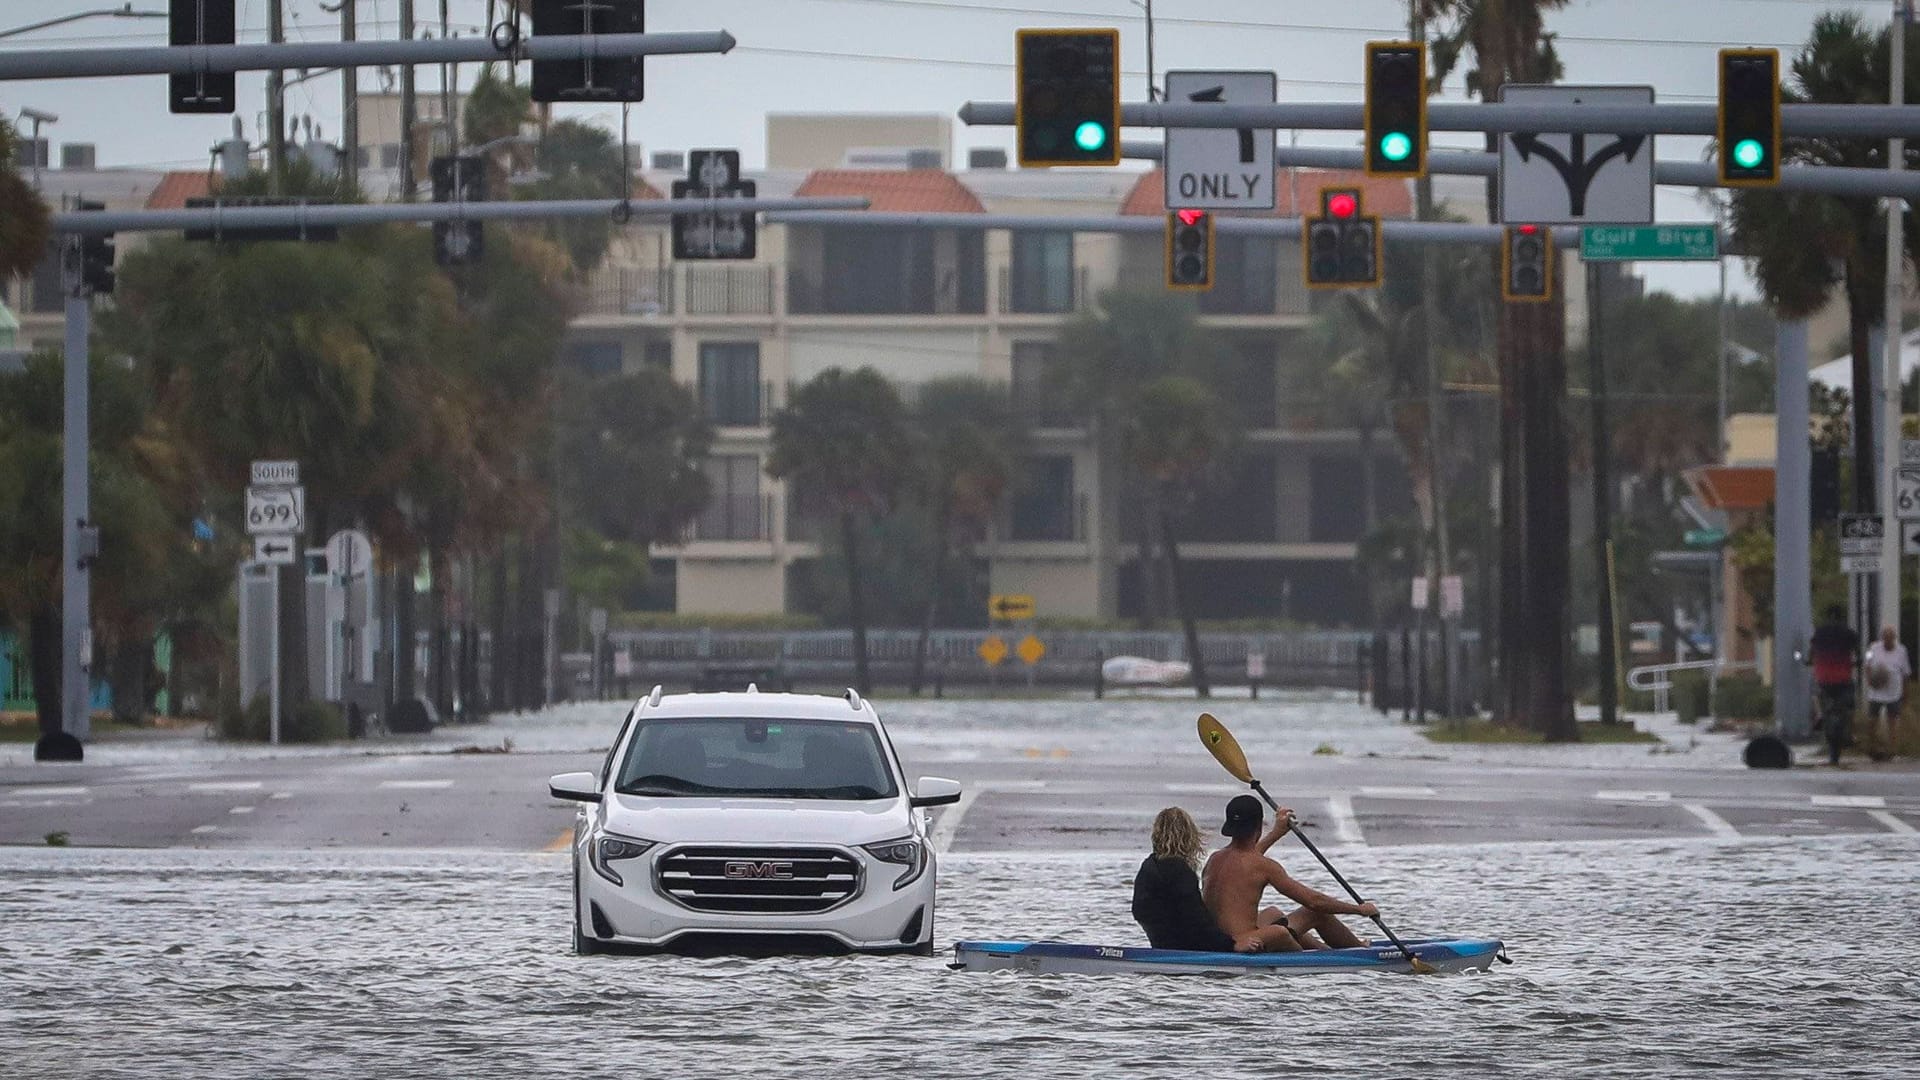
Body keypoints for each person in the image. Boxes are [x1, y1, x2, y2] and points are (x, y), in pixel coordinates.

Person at [1202, 794, 1378, 952]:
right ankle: (1357, 952)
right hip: (1246, 943)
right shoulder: (1264, 866)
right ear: (1259, 826)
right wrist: (1358, 910)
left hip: (1219, 941)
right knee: (1315, 913)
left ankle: (1326, 951)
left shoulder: (1215, 859)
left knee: (1272, 913)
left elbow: (1248, 861)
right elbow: (1314, 902)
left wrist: (1276, 833)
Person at [1131, 807, 1243, 952]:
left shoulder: (1148, 866)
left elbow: (1139, 910)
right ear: (1188, 836)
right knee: (1276, 929)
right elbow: (1196, 919)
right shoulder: (1179, 871)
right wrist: (1231, 945)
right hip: (1188, 947)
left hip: (1161, 944)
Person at [1809, 604, 1861, 765]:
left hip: (1823, 676)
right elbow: (1857, 652)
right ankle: (1850, 733)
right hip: (1843, 677)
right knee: (1850, 705)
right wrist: (1858, 661)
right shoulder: (1849, 633)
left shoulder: (1820, 632)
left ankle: (1819, 714)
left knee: (1816, 692)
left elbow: (1811, 651)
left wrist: (1809, 660)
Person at [1863, 624, 1910, 762]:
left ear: (1894, 638)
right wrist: (1870, 680)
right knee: (1872, 720)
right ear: (1882, 638)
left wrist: (1905, 694)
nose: (1887, 640)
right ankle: (1872, 748)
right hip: (1876, 692)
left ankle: (1893, 751)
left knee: (1893, 722)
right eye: (1885, 637)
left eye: (1890, 638)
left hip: (1894, 692)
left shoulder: (1902, 651)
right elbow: (1867, 664)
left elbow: (1905, 673)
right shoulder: (1872, 648)